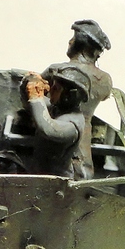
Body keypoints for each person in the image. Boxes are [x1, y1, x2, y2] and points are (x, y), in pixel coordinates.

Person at [41, 20, 113, 178]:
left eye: (73, 38)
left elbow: (38, 94)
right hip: (84, 145)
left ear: (83, 45)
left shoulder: (57, 71)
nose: (70, 42)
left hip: (57, 139)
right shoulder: (105, 80)